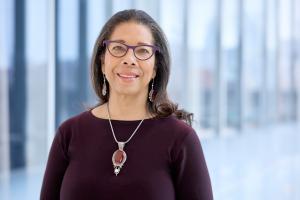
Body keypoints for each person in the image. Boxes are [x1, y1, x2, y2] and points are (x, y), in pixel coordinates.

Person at [40, 9, 213, 200]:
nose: (129, 59)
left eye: (142, 51)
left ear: (155, 68)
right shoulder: (69, 134)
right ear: (102, 60)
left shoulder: (181, 139)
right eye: (118, 48)